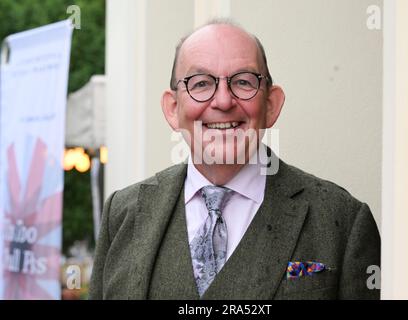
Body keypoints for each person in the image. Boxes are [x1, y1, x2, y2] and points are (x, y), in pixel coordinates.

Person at [89, 19, 380, 300]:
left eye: (243, 81)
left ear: (270, 104)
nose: (224, 101)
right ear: (172, 107)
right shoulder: (122, 214)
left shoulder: (342, 220)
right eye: (201, 83)